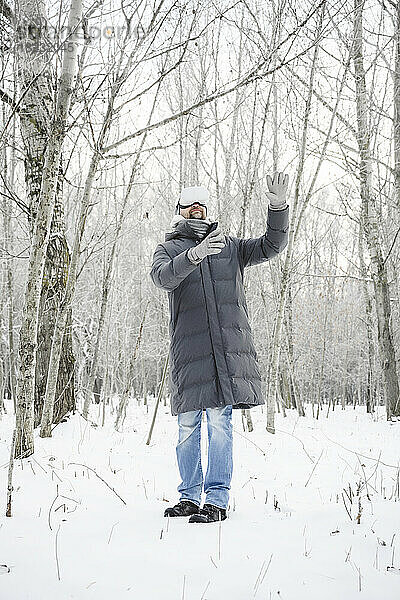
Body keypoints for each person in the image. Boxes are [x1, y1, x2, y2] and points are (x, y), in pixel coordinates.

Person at [149, 174, 289, 523]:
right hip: (189, 354)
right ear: (180, 213)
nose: (196, 212)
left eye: (201, 206)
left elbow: (272, 245)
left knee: (220, 424)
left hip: (228, 354)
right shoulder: (168, 249)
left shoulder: (230, 247)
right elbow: (162, 278)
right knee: (187, 428)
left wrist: (277, 207)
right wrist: (193, 255)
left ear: (208, 210)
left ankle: (216, 499)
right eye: (189, 207)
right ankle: (188, 497)